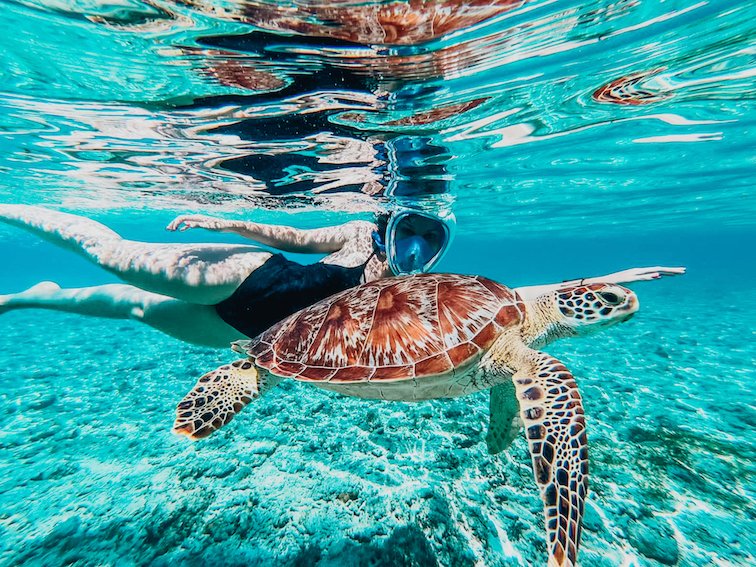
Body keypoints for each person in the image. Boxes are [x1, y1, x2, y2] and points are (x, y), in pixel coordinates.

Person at [0, 205, 685, 348]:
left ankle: (29, 298)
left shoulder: (426, 286)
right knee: (114, 256)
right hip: (245, 282)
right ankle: (18, 210)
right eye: (408, 229)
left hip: (243, 334)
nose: (415, 246)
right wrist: (225, 220)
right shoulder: (359, 234)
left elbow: (519, 296)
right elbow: (290, 236)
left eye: (430, 238)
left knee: (132, 309)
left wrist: (607, 276)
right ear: (391, 221)